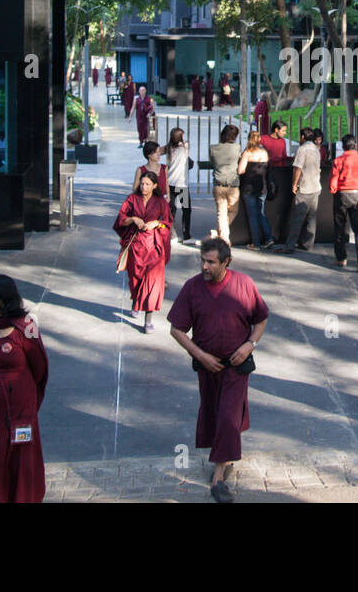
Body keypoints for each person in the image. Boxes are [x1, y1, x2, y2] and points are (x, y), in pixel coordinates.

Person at [168, 238, 269, 503]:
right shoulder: (192, 288)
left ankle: (218, 479)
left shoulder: (244, 284)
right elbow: (176, 329)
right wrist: (200, 354)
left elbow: (260, 319)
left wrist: (249, 345)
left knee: (227, 415)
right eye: (202, 260)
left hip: (236, 367)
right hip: (207, 367)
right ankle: (226, 457)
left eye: (211, 262)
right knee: (215, 413)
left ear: (226, 262)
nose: (204, 266)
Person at [0, 274, 48, 502]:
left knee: (20, 456)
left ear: (3, 299)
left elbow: (39, 366)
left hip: (20, 408)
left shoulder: (27, 327)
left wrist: (24, 397)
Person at [114, 169, 173, 333]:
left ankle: (148, 320)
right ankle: (136, 302)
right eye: (142, 184)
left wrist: (156, 223)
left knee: (152, 284)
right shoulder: (132, 199)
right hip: (136, 247)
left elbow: (167, 222)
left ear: (155, 185)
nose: (144, 187)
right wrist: (133, 219)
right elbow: (120, 219)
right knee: (135, 280)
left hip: (154, 247)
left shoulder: (161, 202)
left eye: (147, 184)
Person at [329, 133, 358, 272]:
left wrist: (333, 190)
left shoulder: (338, 160)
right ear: (355, 145)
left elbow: (334, 181)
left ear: (342, 146)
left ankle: (341, 258)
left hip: (342, 195)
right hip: (357, 195)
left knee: (340, 226)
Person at [276, 127, 321, 254]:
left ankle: (290, 245)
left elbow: (297, 169)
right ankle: (308, 243)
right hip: (316, 187)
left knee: (297, 218)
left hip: (305, 187)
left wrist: (294, 184)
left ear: (302, 137)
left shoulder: (302, 149)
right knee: (311, 218)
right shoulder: (315, 149)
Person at [237, 130, 275, 249]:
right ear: (259, 140)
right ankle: (269, 238)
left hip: (249, 187)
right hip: (262, 187)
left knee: (252, 216)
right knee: (261, 213)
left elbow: (240, 170)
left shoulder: (247, 152)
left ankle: (256, 243)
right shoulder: (265, 153)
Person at [209, 124, 242, 244]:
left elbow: (212, 162)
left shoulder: (213, 148)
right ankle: (223, 237)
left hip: (218, 184)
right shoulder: (237, 148)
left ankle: (222, 234)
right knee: (233, 211)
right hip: (233, 184)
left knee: (221, 213)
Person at [165, 127, 195, 245]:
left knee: (171, 210)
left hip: (170, 183)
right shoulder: (185, 146)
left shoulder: (168, 148)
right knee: (186, 210)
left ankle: (171, 235)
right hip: (182, 184)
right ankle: (186, 235)